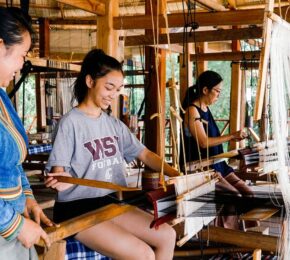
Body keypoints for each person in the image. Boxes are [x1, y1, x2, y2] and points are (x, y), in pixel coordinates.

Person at [45, 49, 179, 260]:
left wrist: (175, 173)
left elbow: (144, 154)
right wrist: (61, 181)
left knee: (168, 235)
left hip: (109, 203)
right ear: (90, 81)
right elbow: (59, 173)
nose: (113, 95)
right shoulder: (70, 123)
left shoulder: (113, 124)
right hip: (76, 209)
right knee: (142, 254)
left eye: (117, 89)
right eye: (109, 87)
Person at [0, 6, 52, 259]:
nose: (21, 65)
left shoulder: (1, 97)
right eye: (22, 55)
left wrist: (28, 199)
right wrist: (14, 224)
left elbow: (12, 160)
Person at [181, 70, 253, 196]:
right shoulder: (192, 111)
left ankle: (235, 216)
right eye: (217, 91)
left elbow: (212, 139)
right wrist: (231, 135)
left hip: (218, 164)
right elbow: (203, 142)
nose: (219, 95)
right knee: (234, 196)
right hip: (202, 168)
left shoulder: (205, 109)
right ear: (205, 90)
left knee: (248, 194)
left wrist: (232, 138)